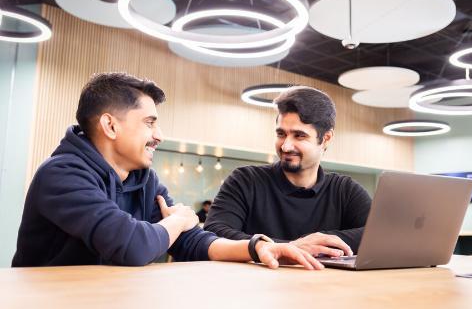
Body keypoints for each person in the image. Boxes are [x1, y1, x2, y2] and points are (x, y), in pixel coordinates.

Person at [12, 73, 322, 270]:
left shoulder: (143, 179)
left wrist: (258, 247)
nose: (159, 134)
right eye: (150, 122)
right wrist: (176, 221)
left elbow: (190, 242)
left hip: (107, 303)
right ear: (110, 125)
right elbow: (132, 245)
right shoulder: (62, 174)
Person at [204, 86, 372, 258]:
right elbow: (214, 234)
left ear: (326, 139)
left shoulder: (344, 190)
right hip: (258, 283)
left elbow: (380, 234)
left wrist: (317, 242)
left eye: (299, 136)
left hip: (325, 284)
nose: (286, 146)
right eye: (281, 134)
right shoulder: (246, 180)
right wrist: (293, 247)